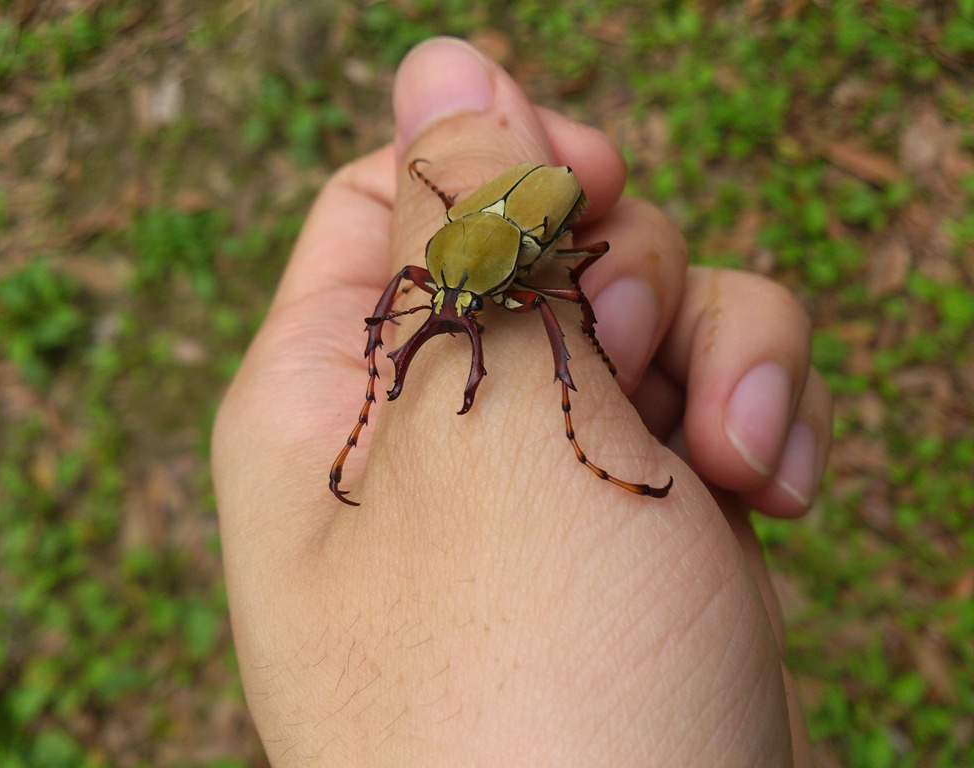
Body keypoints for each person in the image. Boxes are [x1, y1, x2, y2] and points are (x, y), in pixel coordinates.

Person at [212, 37, 831, 766]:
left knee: (560, 299)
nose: (451, 313)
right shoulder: (434, 265)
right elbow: (433, 286)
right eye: (443, 297)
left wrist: (574, 400)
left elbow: (545, 296)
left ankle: (573, 406)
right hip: (477, 224)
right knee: (452, 306)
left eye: (465, 304)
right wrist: (386, 337)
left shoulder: (523, 279)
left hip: (535, 217)